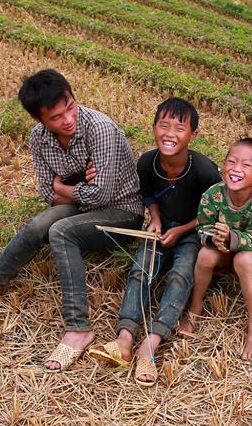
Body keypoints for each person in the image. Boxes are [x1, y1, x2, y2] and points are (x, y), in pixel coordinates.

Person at [0, 69, 143, 372]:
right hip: (83, 207)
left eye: (70, 107)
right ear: (40, 120)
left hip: (121, 212)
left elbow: (103, 195)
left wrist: (63, 187)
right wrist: (73, 189)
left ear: (72, 95)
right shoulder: (39, 139)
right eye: (55, 117)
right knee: (37, 226)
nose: (67, 119)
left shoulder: (101, 129)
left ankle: (79, 328)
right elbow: (47, 192)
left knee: (61, 232)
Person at [88, 98, 220, 386]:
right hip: (160, 229)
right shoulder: (147, 162)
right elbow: (148, 197)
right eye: (164, 125)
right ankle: (124, 338)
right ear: (153, 128)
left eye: (179, 128)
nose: (170, 133)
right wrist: (157, 220)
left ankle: (151, 342)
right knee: (140, 269)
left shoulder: (205, 171)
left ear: (192, 136)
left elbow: (214, 211)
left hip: (193, 232)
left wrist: (183, 229)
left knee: (181, 275)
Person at [177, 138, 252, 360]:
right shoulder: (213, 195)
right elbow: (203, 226)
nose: (236, 169)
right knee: (205, 255)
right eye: (231, 162)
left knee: (242, 260)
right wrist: (215, 240)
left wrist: (233, 238)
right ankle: (195, 308)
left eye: (246, 165)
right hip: (225, 248)